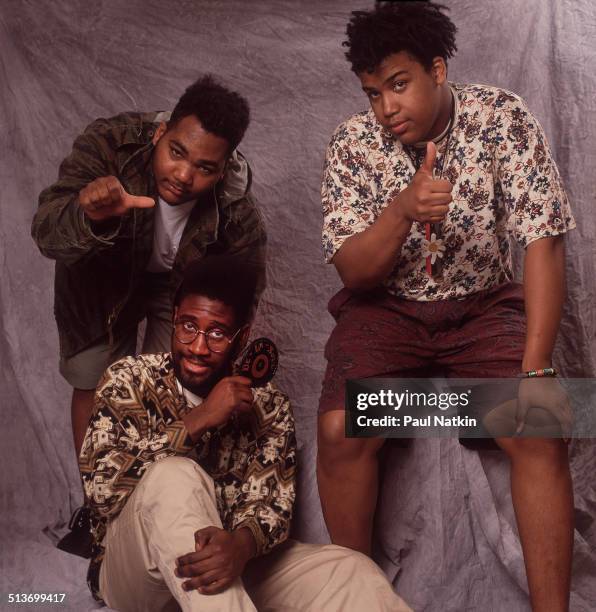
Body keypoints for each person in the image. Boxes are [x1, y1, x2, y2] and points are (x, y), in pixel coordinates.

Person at [317, 3, 575, 611]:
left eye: (400, 86)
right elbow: (353, 270)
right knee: (338, 428)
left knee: (542, 427)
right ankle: (357, 602)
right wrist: (401, 210)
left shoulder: (502, 117)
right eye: (373, 93)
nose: (386, 109)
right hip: (385, 311)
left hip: (483, 307)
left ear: (437, 69)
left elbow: (545, 240)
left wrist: (535, 370)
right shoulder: (352, 144)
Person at [79, 255, 410, 612]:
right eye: (188, 326)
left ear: (243, 337)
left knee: (351, 570)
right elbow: (102, 490)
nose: (197, 347)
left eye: (217, 333)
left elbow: (271, 506)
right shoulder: (129, 379)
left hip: (232, 568)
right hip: (136, 577)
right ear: (174, 319)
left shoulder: (268, 405)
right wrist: (200, 419)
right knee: (174, 476)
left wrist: (241, 545)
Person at [32, 75, 266, 456]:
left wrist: (224, 355)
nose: (184, 175)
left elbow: (246, 288)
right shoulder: (110, 144)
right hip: (101, 276)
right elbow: (46, 233)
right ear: (159, 134)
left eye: (205, 168)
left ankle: (149, 496)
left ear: (222, 170)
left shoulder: (236, 205)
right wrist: (88, 216)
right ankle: (98, 503)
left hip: (177, 286)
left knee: (173, 388)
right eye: (176, 152)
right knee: (95, 381)